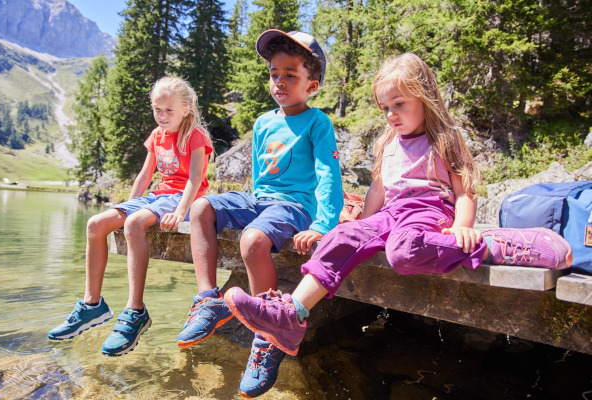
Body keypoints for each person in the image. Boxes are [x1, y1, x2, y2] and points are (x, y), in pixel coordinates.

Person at [224, 52, 574, 386]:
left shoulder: (444, 138)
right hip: (391, 213)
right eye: (385, 108)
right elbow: (377, 190)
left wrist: (462, 228)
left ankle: (494, 245)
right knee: (340, 238)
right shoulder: (387, 142)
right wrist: (362, 227)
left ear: (425, 97)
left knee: (403, 251)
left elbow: (464, 190)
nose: (391, 114)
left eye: (399, 104)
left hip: (429, 211)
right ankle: (292, 314)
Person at [175, 29, 343, 398]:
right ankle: (209, 300)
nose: (279, 81)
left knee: (252, 240)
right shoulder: (264, 122)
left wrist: (322, 224)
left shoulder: (318, 122)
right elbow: (258, 177)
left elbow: (328, 175)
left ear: (312, 85)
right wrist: (248, 207)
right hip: (261, 199)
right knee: (201, 207)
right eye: (274, 73)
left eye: (290, 75)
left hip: (296, 206)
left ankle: (267, 335)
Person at [48, 76, 214, 357]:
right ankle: (92, 305)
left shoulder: (195, 135)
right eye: (157, 109)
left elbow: (195, 179)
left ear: (186, 109)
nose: (162, 115)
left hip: (183, 198)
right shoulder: (157, 135)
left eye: (169, 110)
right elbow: (145, 176)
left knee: (134, 223)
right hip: (158, 196)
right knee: (95, 224)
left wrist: (180, 212)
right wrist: (127, 205)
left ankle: (135, 311)